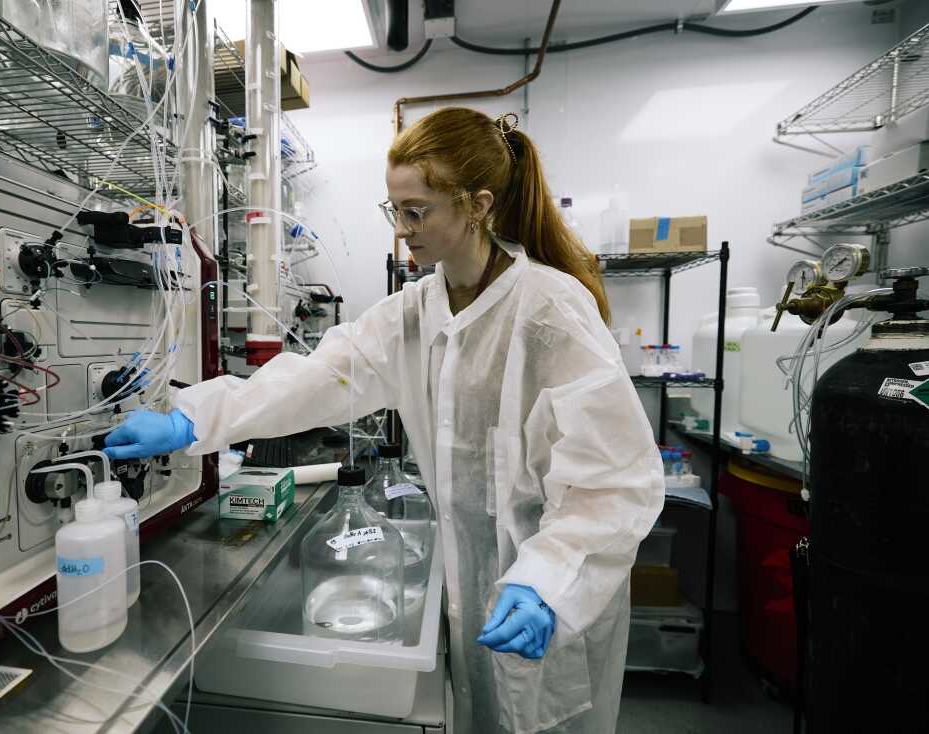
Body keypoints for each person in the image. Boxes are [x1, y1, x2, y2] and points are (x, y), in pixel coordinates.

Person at [103, 107, 664, 733]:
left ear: (477, 206)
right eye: (393, 210)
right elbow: (318, 377)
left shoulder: (552, 312)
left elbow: (615, 483)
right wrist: (194, 418)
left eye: (416, 211)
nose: (401, 230)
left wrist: (547, 581)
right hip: (474, 586)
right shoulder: (415, 313)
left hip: (558, 599)